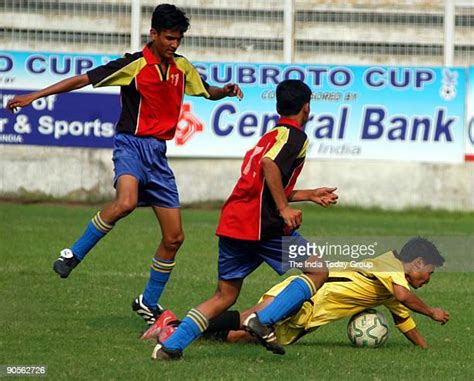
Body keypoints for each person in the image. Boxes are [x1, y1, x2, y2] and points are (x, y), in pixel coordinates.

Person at [7, 3, 243, 325]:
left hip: (158, 155)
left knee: (175, 238)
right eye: (169, 38)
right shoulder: (134, 64)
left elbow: (205, 91)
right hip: (130, 146)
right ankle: (73, 253)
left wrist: (224, 92)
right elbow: (82, 80)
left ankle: (148, 301)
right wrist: (33, 97)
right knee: (126, 202)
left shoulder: (182, 67)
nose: (174, 45)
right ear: (154, 34)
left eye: (178, 39)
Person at [150, 79, 338, 360]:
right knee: (318, 270)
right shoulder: (295, 136)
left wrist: (308, 194)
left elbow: (263, 184)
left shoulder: (271, 136)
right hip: (262, 226)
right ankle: (261, 320)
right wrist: (284, 208)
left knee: (224, 297)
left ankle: (171, 346)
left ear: (278, 107)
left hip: (235, 221)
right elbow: (269, 165)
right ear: (307, 107)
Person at [159, 237, 449, 350]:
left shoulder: (394, 285)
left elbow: (404, 319)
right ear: (418, 263)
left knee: (240, 336)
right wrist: (433, 312)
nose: (428, 279)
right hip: (305, 294)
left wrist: (424, 350)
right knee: (251, 317)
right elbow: (403, 298)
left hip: (309, 318)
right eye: (430, 272)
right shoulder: (390, 264)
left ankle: (191, 332)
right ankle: (173, 328)